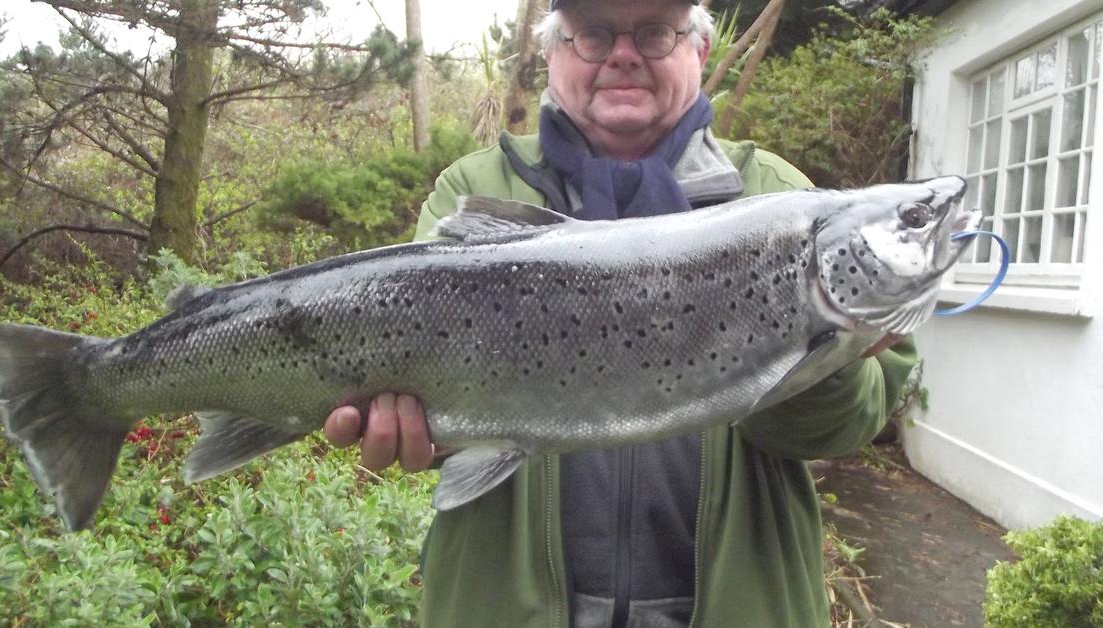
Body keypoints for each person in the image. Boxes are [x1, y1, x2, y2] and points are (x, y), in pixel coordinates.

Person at [324, 0, 918, 626]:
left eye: (656, 33)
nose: (624, 55)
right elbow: (438, 404)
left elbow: (836, 432)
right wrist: (425, 431)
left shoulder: (786, 200)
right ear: (551, 50)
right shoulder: (474, 188)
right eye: (595, 34)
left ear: (700, 49)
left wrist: (826, 349)